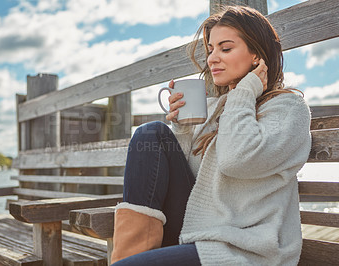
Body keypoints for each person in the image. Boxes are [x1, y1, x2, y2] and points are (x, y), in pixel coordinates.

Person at [111, 5, 311, 266]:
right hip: (197, 230)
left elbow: (236, 160)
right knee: (151, 133)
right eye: (210, 50)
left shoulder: (288, 109)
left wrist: (245, 91)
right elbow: (192, 179)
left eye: (225, 48)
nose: (212, 58)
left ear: (256, 56)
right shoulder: (219, 107)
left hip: (243, 248)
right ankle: (131, 255)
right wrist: (182, 127)